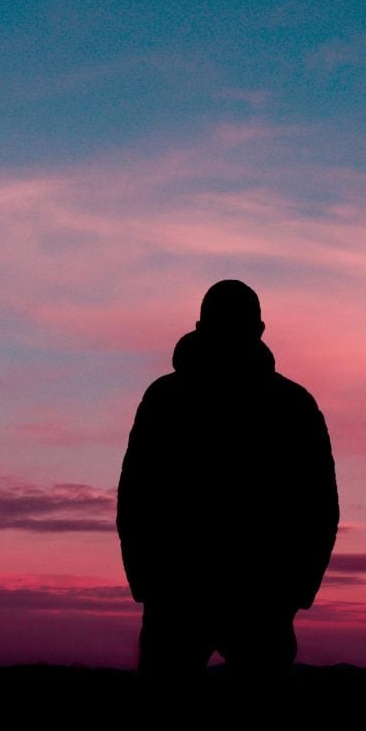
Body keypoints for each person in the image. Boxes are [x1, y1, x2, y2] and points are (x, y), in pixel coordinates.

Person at [116, 279, 339, 683]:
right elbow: (136, 495)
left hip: (241, 597)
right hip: (198, 595)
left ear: (201, 324)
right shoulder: (290, 404)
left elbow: (319, 506)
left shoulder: (290, 406)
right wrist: (147, 582)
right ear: (260, 330)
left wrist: (297, 589)